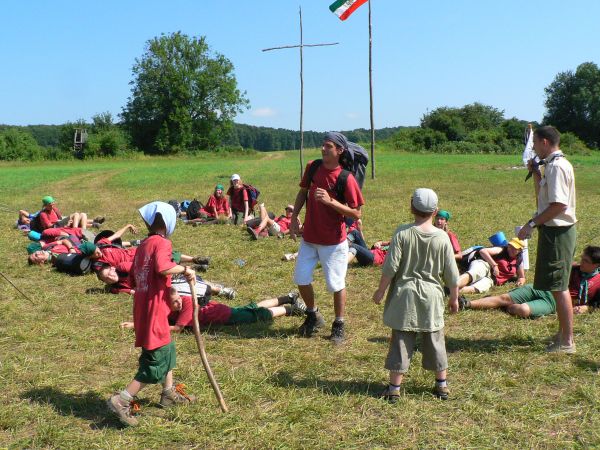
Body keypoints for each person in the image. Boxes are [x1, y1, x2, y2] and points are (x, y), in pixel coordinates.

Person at [106, 201, 196, 427]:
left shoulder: (144, 245)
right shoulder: (163, 243)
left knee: (167, 351)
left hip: (144, 309)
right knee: (154, 363)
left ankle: (168, 393)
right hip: (155, 313)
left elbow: (138, 278)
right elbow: (163, 268)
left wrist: (171, 291)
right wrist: (186, 269)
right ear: (168, 222)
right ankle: (123, 399)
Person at [372, 188, 459, 402]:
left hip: (405, 296)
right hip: (432, 296)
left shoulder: (402, 233)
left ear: (412, 207)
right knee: (435, 338)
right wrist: (454, 297)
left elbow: (390, 267)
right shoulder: (442, 237)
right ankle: (442, 385)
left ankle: (394, 388)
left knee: (401, 339)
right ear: (435, 210)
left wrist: (381, 290)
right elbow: (452, 273)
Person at [289, 132, 364, 343]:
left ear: (339, 151)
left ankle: (339, 323)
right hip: (310, 237)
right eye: (323, 145)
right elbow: (303, 192)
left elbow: (356, 212)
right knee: (301, 278)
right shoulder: (313, 167)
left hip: (333, 242)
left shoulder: (345, 178)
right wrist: (294, 217)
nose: (323, 149)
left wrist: (331, 202)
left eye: (328, 146)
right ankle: (313, 315)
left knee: (336, 283)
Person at [517, 126, 577, 353]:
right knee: (554, 284)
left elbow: (559, 205)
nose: (532, 148)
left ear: (543, 142)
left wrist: (531, 224)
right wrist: (536, 173)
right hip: (553, 231)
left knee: (558, 286)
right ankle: (563, 333)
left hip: (558, 232)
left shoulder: (558, 167)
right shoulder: (550, 166)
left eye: (534, 144)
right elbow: (544, 199)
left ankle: (567, 341)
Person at [460, 246, 600, 319]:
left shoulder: (598, 282)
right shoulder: (573, 268)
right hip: (544, 288)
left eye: (586, 261)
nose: (581, 262)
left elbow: (596, 304)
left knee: (523, 310)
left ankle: (503, 305)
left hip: (554, 303)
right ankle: (467, 304)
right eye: (582, 258)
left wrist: (586, 308)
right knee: (504, 298)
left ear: (596, 265)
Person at [121, 287, 306, 333]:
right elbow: (158, 318)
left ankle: (290, 309)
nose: (177, 304)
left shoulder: (187, 304)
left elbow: (176, 329)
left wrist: (147, 329)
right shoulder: (170, 307)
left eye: (177, 300)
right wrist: (134, 324)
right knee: (252, 307)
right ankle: (287, 297)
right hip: (221, 309)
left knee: (258, 315)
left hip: (224, 316)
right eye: (173, 302)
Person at [457, 238, 526, 294]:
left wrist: (520, 282)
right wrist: (494, 265)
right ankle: (454, 285)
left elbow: (521, 277)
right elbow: (482, 251)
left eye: (515, 248)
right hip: (485, 265)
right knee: (474, 273)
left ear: (520, 250)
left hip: (492, 279)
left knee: (479, 288)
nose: (511, 249)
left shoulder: (518, 260)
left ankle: (452, 291)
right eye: (510, 246)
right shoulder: (501, 250)